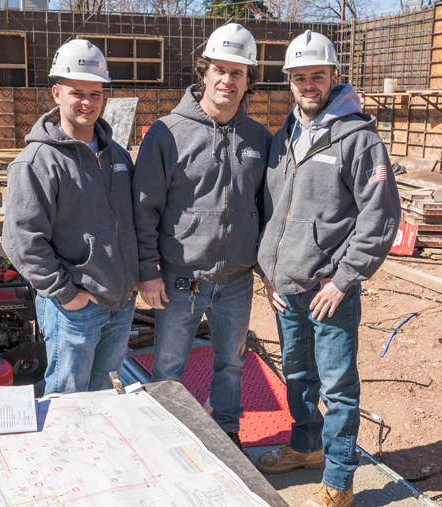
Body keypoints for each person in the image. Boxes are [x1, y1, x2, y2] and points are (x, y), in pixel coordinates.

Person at [255, 30, 401, 507]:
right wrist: (268, 271)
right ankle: (306, 447)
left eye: (317, 75)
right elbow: (272, 210)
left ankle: (339, 480)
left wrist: (343, 279)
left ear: (334, 76)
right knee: (297, 377)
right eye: (299, 77)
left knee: (337, 385)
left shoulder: (359, 139)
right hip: (287, 287)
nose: (308, 84)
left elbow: (379, 218)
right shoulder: (285, 135)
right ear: (290, 82)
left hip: (327, 290)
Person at [132, 24, 271, 454]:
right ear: (204, 72)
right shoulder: (167, 134)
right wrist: (148, 271)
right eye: (220, 70)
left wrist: (267, 271)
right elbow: (144, 207)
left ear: (248, 82)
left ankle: (227, 432)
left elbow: (267, 211)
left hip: (235, 282)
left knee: (232, 363)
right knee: (170, 364)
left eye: (238, 73)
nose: (228, 80)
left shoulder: (260, 139)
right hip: (183, 279)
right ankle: (165, 434)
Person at [2, 40, 139, 395]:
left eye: (96, 94)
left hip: (120, 304)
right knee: (67, 400)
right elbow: (22, 240)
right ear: (56, 93)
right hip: (75, 309)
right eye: (77, 92)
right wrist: (65, 294)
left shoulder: (116, 155)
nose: (87, 102)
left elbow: (130, 222)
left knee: (106, 397)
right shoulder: (37, 161)